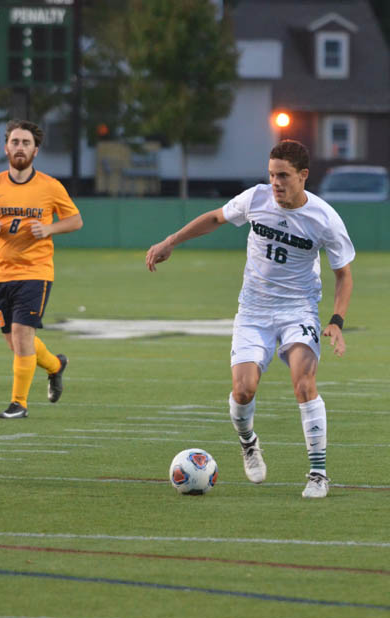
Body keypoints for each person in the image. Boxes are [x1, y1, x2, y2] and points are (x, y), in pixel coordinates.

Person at [146, 140, 355, 499]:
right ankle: (248, 443)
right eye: (272, 175)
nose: (276, 183)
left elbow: (344, 274)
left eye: (284, 176)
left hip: (298, 310)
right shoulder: (256, 199)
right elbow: (214, 218)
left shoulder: (325, 219)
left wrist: (336, 320)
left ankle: (318, 473)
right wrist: (171, 241)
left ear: (303, 176)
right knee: (243, 390)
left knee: (304, 383)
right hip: (254, 312)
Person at [0, 119, 82, 419]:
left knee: (21, 335)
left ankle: (19, 404)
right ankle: (56, 366)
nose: (20, 147)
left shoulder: (49, 186)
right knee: (17, 342)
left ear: (36, 150)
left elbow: (75, 220)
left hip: (36, 272)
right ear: (6, 147)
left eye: (26, 143)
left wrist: (49, 229)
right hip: (0, 275)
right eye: (15, 142)